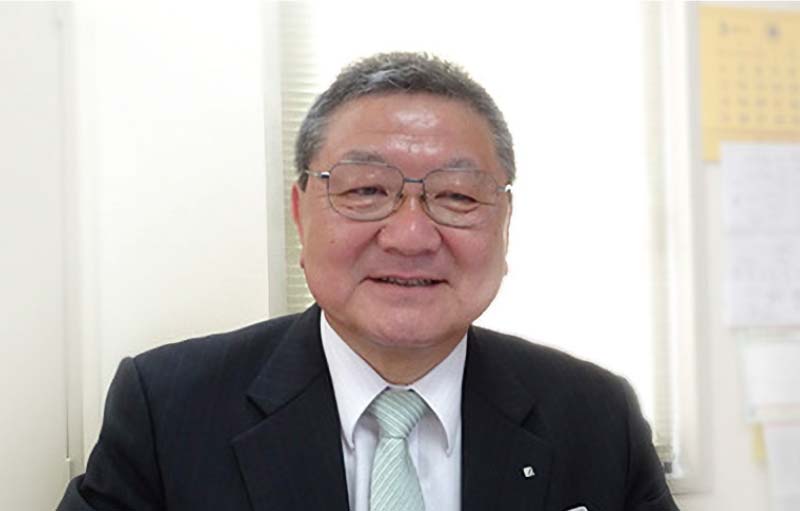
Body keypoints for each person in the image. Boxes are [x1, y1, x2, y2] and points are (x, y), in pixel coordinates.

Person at [58, 52, 679, 511]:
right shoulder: (167, 408)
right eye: (365, 191)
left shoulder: (597, 416)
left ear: (505, 223)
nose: (411, 236)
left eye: (457, 196)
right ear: (301, 215)